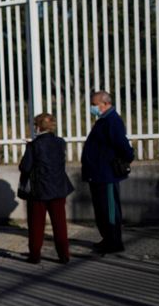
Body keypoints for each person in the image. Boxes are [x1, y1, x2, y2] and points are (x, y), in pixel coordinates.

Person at [81, 90, 134, 254]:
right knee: (101, 209)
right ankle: (107, 238)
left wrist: (127, 157)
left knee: (110, 210)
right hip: (97, 174)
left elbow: (123, 145)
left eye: (94, 105)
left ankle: (114, 241)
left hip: (106, 174)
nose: (92, 108)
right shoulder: (103, 121)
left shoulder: (112, 121)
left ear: (105, 103)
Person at [19, 113, 74, 264]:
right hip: (58, 188)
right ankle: (64, 255)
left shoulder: (33, 145)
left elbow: (25, 167)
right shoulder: (60, 142)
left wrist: (29, 148)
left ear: (38, 126)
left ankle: (35, 255)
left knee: (36, 225)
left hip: (39, 191)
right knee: (60, 224)